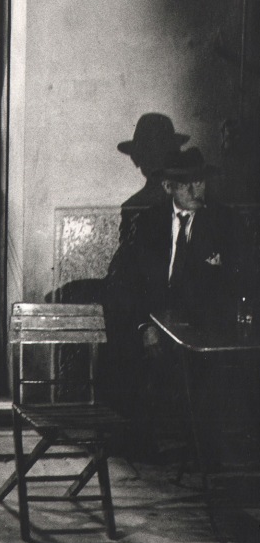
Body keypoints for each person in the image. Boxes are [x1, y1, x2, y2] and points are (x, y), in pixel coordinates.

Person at [103, 147, 256, 450]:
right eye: (187, 183)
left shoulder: (225, 222)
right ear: (168, 187)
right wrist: (144, 327)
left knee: (209, 372)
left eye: (200, 181)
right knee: (129, 360)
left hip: (203, 328)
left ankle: (203, 453)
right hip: (155, 319)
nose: (197, 190)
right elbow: (128, 284)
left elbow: (243, 280)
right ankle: (141, 446)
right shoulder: (148, 224)